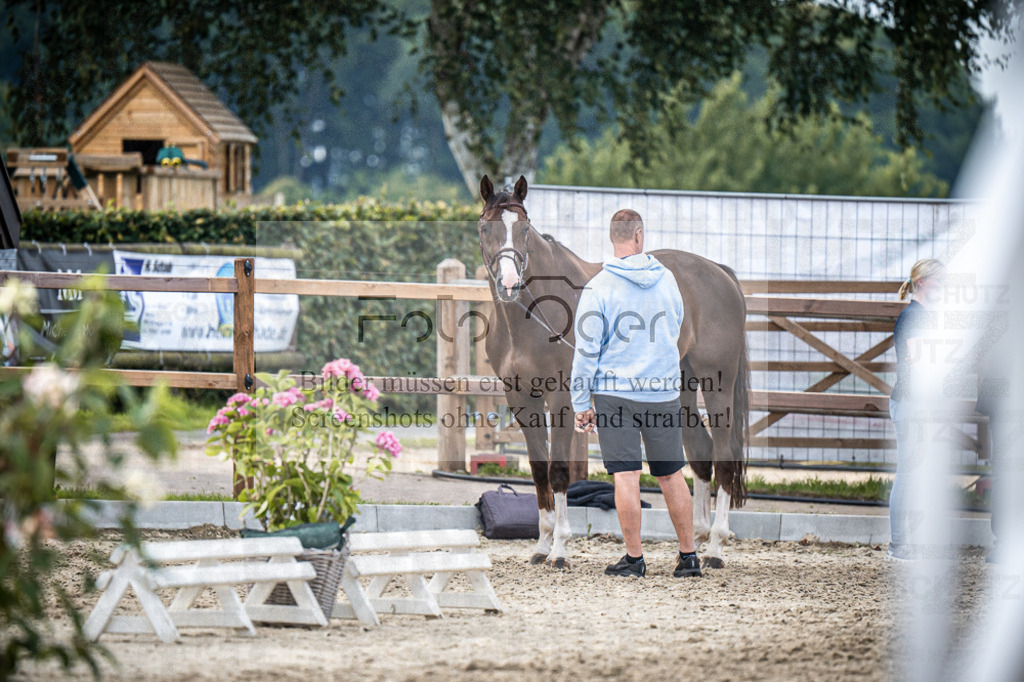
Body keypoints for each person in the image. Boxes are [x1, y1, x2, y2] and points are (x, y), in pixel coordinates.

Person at [571, 209, 701, 578]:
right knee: (672, 474)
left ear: (613, 239)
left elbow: (586, 352)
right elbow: (675, 324)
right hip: (661, 391)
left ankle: (634, 559)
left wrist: (581, 402)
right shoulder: (668, 280)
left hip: (615, 394)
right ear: (639, 237)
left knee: (626, 477)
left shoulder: (598, 287)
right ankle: (689, 557)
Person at [887, 258, 944, 562]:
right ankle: (898, 545)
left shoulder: (920, 316)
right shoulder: (914, 317)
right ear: (923, 282)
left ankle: (906, 542)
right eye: (940, 280)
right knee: (908, 474)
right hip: (911, 403)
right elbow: (919, 363)